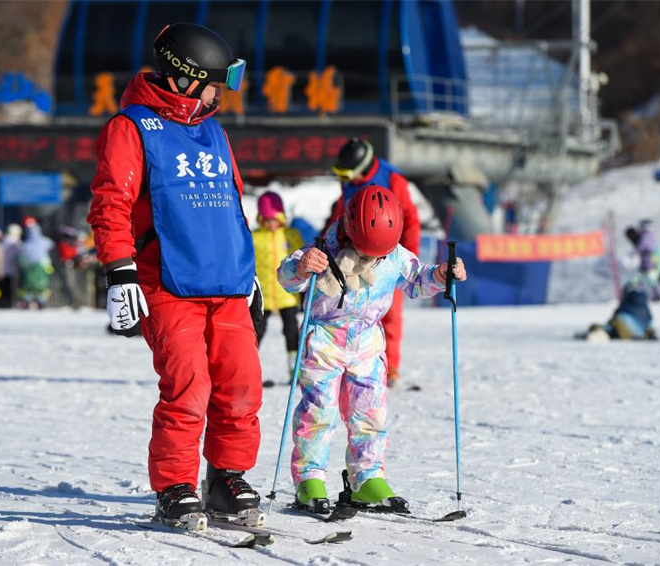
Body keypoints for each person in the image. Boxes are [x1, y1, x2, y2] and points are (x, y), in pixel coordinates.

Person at [87, 22, 265, 527]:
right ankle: (175, 487)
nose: (218, 95)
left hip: (226, 284)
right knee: (188, 387)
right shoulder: (131, 127)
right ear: (185, 78)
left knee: (242, 386)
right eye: (212, 84)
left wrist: (247, 273)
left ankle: (226, 478)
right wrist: (120, 272)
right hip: (167, 283)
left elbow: (232, 206)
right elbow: (110, 205)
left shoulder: (214, 130)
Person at [277, 186, 466, 512]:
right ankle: (309, 479)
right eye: (366, 253)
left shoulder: (395, 256)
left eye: (380, 255)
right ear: (350, 231)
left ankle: (366, 477)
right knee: (318, 412)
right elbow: (287, 277)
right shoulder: (324, 250)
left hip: (367, 343)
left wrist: (441, 274)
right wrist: (303, 267)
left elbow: (416, 280)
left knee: (370, 413)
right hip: (325, 341)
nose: (373, 260)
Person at [329, 138, 421, 387]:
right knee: (350, 311)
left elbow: (410, 218)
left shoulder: (392, 179)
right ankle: (348, 365)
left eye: (350, 175)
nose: (348, 180)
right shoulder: (349, 180)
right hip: (354, 256)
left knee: (390, 313)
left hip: (389, 256)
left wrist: (408, 259)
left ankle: (390, 368)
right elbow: (341, 212)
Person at [252, 192, 305, 377]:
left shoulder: (290, 235)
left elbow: (302, 257)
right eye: (266, 219)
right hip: (264, 295)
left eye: (274, 219)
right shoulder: (255, 237)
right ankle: (249, 365)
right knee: (257, 331)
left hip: (287, 295)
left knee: (291, 331)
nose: (270, 223)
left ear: (281, 217)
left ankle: (293, 367)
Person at [582, 283, 657, 341]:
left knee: (610, 328)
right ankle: (601, 333)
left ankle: (598, 331)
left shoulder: (627, 302)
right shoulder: (645, 308)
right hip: (633, 334)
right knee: (616, 330)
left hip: (620, 323)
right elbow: (649, 324)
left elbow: (618, 314)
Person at [625, 219, 660, 301]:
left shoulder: (647, 236)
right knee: (642, 278)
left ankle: (657, 294)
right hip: (648, 262)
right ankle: (638, 293)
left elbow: (641, 247)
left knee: (651, 278)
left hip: (651, 262)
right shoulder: (647, 235)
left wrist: (631, 254)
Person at [18, 217, 54, 309]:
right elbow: (52, 245)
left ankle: (27, 300)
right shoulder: (44, 241)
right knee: (42, 287)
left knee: (29, 287)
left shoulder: (26, 244)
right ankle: (41, 301)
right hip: (43, 267)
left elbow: (22, 256)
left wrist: (23, 265)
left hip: (30, 267)